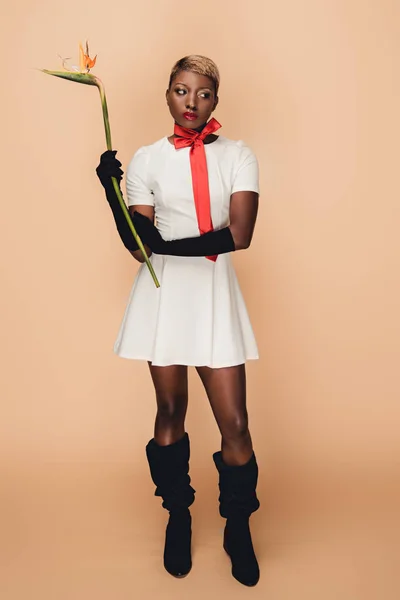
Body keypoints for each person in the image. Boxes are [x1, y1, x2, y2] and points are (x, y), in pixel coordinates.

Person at [96, 55, 261, 587]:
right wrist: (112, 192)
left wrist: (165, 245)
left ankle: (238, 527)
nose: (192, 103)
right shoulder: (146, 159)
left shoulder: (239, 155)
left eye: (204, 93)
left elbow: (238, 235)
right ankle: (178, 515)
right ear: (167, 94)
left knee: (234, 422)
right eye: (182, 91)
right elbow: (138, 248)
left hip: (213, 293)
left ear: (217, 99)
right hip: (163, 297)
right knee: (170, 409)